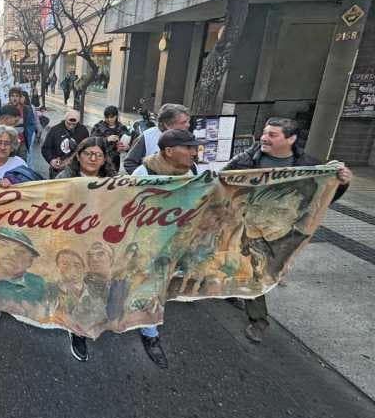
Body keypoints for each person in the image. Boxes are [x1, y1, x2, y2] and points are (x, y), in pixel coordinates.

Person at [223, 117, 352, 343]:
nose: (264, 138)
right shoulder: (245, 160)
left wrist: (341, 183)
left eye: (272, 135)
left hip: (281, 231)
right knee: (252, 269)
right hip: (245, 227)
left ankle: (244, 300)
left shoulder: (308, 166)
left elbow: (321, 198)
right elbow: (220, 185)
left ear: (291, 139)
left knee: (261, 271)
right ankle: (258, 319)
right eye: (264, 132)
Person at [129, 129, 201, 368]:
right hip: (147, 243)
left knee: (162, 287)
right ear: (169, 151)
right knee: (149, 287)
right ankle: (150, 335)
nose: (194, 151)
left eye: (194, 147)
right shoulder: (144, 172)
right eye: (188, 148)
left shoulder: (194, 171)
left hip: (177, 242)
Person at [55, 137, 115, 361]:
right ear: (78, 155)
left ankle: (97, 318)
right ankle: (77, 331)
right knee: (75, 284)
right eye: (88, 153)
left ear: (104, 159)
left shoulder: (113, 180)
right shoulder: (65, 178)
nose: (93, 158)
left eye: (98, 155)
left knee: (100, 283)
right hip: (73, 240)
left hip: (101, 241)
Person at [123, 103, 190, 174]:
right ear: (167, 125)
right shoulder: (147, 137)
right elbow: (129, 163)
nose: (188, 125)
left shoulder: (188, 137)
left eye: (188, 121)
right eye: (183, 122)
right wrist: (148, 179)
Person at [42, 110, 90, 179]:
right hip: (58, 169)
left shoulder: (83, 130)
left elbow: (87, 149)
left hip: (76, 170)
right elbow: (46, 148)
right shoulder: (54, 130)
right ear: (65, 119)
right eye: (69, 123)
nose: (71, 126)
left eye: (74, 124)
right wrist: (52, 160)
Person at [91, 106, 130, 173]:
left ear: (116, 116)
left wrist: (127, 147)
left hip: (115, 162)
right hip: (99, 160)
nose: (109, 119)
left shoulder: (122, 128)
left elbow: (131, 144)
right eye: (107, 117)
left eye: (112, 117)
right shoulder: (98, 127)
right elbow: (91, 141)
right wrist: (106, 139)